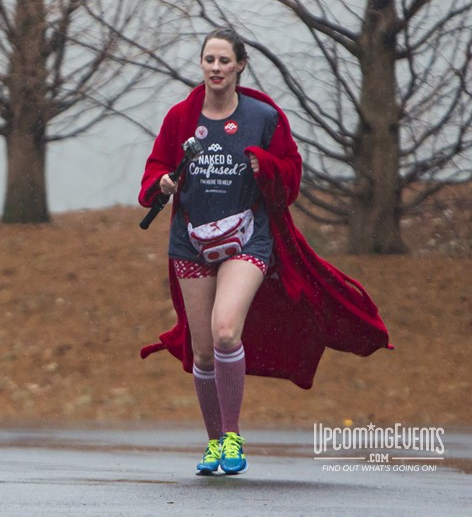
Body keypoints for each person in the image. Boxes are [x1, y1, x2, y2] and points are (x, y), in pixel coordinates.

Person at [137, 27, 390, 476]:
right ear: (202, 65)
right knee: (200, 354)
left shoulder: (263, 117)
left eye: (224, 61)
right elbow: (157, 165)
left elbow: (291, 176)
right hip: (191, 242)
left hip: (247, 238)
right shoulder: (180, 117)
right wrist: (162, 182)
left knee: (226, 332)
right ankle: (214, 443)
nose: (216, 68)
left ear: (240, 66)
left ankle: (232, 438)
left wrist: (266, 164)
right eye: (209, 60)